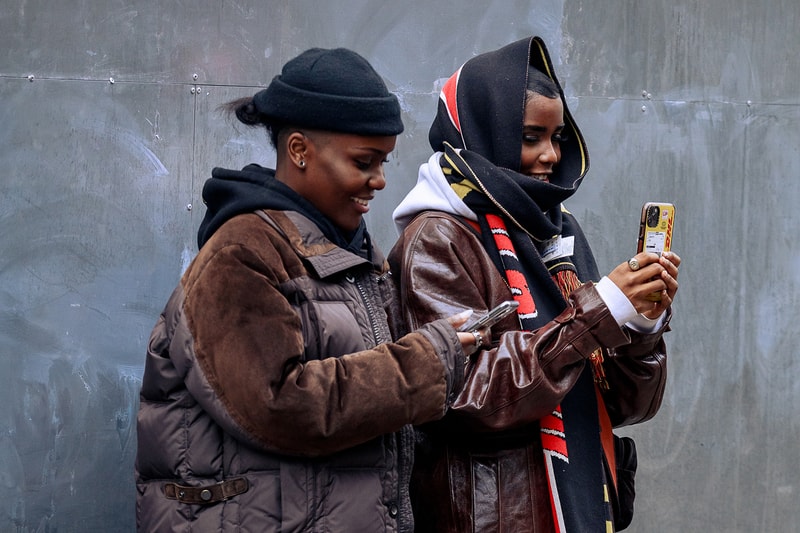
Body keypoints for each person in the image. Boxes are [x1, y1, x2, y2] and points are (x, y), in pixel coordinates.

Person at [135, 47, 483, 532]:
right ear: (299, 150)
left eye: (383, 162)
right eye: (365, 161)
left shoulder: (353, 253)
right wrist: (424, 363)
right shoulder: (240, 255)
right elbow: (278, 406)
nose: (379, 181)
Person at [387, 36, 681, 532]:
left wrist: (641, 327)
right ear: (486, 132)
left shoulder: (556, 232)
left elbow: (627, 407)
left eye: (558, 137)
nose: (550, 155)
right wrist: (601, 310)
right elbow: (468, 397)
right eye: (529, 137)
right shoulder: (437, 238)